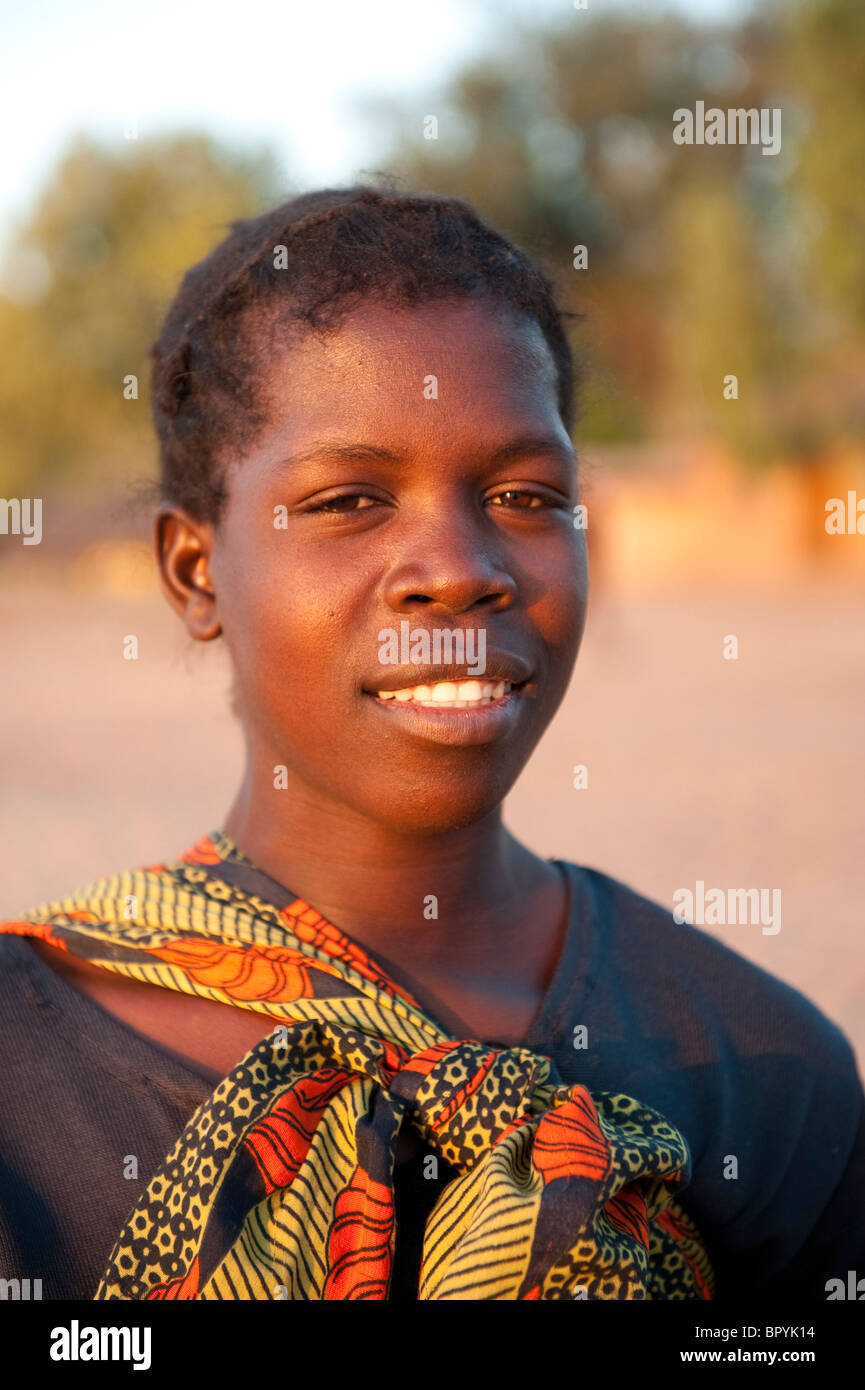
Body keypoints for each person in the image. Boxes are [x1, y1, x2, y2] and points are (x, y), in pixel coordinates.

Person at [1, 183, 862, 1302]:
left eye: (523, 493)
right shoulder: (29, 1077)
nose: (460, 566)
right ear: (194, 570)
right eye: (350, 499)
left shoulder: (767, 1067)